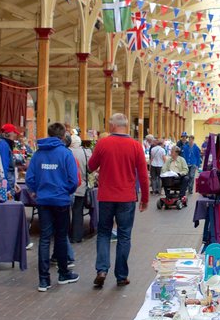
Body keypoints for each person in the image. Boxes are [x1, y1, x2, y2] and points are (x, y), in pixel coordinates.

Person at [88, 113, 149, 288]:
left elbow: (91, 166)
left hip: (106, 196)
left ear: (113, 126)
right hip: (127, 197)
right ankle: (121, 276)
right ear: (126, 126)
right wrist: (144, 198)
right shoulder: (136, 146)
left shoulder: (103, 143)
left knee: (104, 233)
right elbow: (143, 176)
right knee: (124, 235)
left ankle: (101, 269)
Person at [25, 122, 80, 291]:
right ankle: (63, 273)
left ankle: (43, 280)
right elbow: (74, 180)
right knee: (61, 236)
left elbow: (30, 177)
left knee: (45, 238)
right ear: (64, 136)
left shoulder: (38, 154)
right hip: (61, 201)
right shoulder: (66, 154)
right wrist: (66, 192)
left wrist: (35, 191)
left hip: (43, 201)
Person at [68, 134, 91, 242]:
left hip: (67, 188)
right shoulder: (86, 153)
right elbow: (90, 169)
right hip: (81, 186)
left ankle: (65, 235)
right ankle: (77, 236)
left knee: (65, 212)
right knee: (78, 212)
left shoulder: (67, 152)